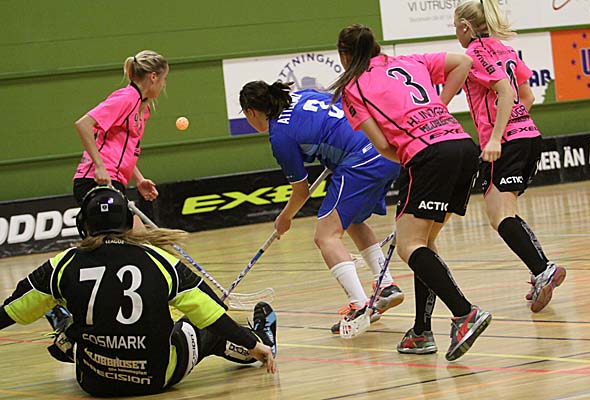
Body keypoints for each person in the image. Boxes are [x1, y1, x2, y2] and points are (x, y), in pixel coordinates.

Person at [0, 186, 276, 397]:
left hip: (95, 383)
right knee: (204, 331)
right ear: (129, 220)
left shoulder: (62, 264)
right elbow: (214, 313)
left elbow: (11, 311)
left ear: (83, 223)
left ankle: (65, 334)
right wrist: (253, 345)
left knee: (76, 329)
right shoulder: (161, 261)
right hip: (154, 379)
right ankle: (263, 343)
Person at [330, 24, 491, 361]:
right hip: (462, 146)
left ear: (345, 55)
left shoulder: (353, 88)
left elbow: (382, 144)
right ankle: (421, 331)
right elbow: (463, 62)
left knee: (409, 246)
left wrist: (412, 153)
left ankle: (464, 313)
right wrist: (440, 108)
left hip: (428, 155)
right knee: (424, 245)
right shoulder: (411, 60)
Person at [239, 81, 404, 334]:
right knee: (352, 220)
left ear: (251, 112)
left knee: (326, 236)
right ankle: (386, 286)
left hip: (360, 162)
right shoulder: (304, 95)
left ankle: (359, 307)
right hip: (385, 151)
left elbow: (301, 191)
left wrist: (285, 217)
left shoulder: (280, 135)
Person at [454, 0, 566, 312]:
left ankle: (543, 269)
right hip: (529, 136)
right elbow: (526, 96)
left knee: (499, 216)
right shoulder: (505, 50)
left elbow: (505, 92)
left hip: (506, 143)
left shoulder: (474, 54)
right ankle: (540, 269)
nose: (456, 33)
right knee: (507, 212)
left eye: (456, 27)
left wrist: (495, 136)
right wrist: (517, 123)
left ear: (465, 27)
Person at [73, 50, 167, 228]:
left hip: (115, 180)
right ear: (153, 77)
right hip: (96, 181)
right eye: (164, 79)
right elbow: (83, 124)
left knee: (134, 237)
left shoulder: (143, 108)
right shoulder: (126, 98)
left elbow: (123, 150)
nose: (163, 85)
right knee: (128, 236)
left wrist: (138, 179)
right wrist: (100, 167)